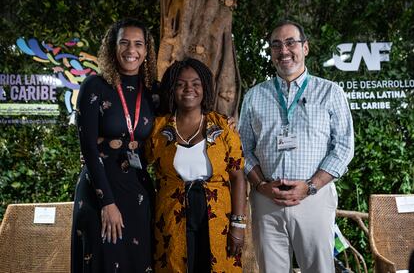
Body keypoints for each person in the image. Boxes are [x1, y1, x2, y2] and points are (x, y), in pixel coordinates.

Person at [238, 20, 354, 273]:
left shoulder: (330, 92)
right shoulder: (254, 96)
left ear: (305, 48)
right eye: (276, 45)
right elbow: (242, 149)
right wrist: (260, 185)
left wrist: (310, 186)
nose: (284, 51)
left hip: (314, 196)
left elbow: (344, 147)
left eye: (291, 43)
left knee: (319, 269)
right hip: (267, 198)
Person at [71, 18, 157, 273]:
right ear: (113, 46)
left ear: (146, 50)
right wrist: (107, 203)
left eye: (138, 44)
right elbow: (88, 147)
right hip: (100, 190)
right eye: (124, 42)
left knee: (138, 263)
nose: (132, 50)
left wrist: (220, 120)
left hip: (137, 191)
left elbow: (187, 111)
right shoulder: (94, 86)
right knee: (101, 262)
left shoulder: (153, 92)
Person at [145, 58, 247, 272]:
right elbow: (139, 165)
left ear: (205, 88)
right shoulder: (158, 129)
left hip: (217, 216)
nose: (188, 89)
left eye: (195, 83)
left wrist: (238, 224)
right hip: (172, 215)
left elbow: (238, 177)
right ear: (172, 89)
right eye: (181, 84)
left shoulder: (223, 127)